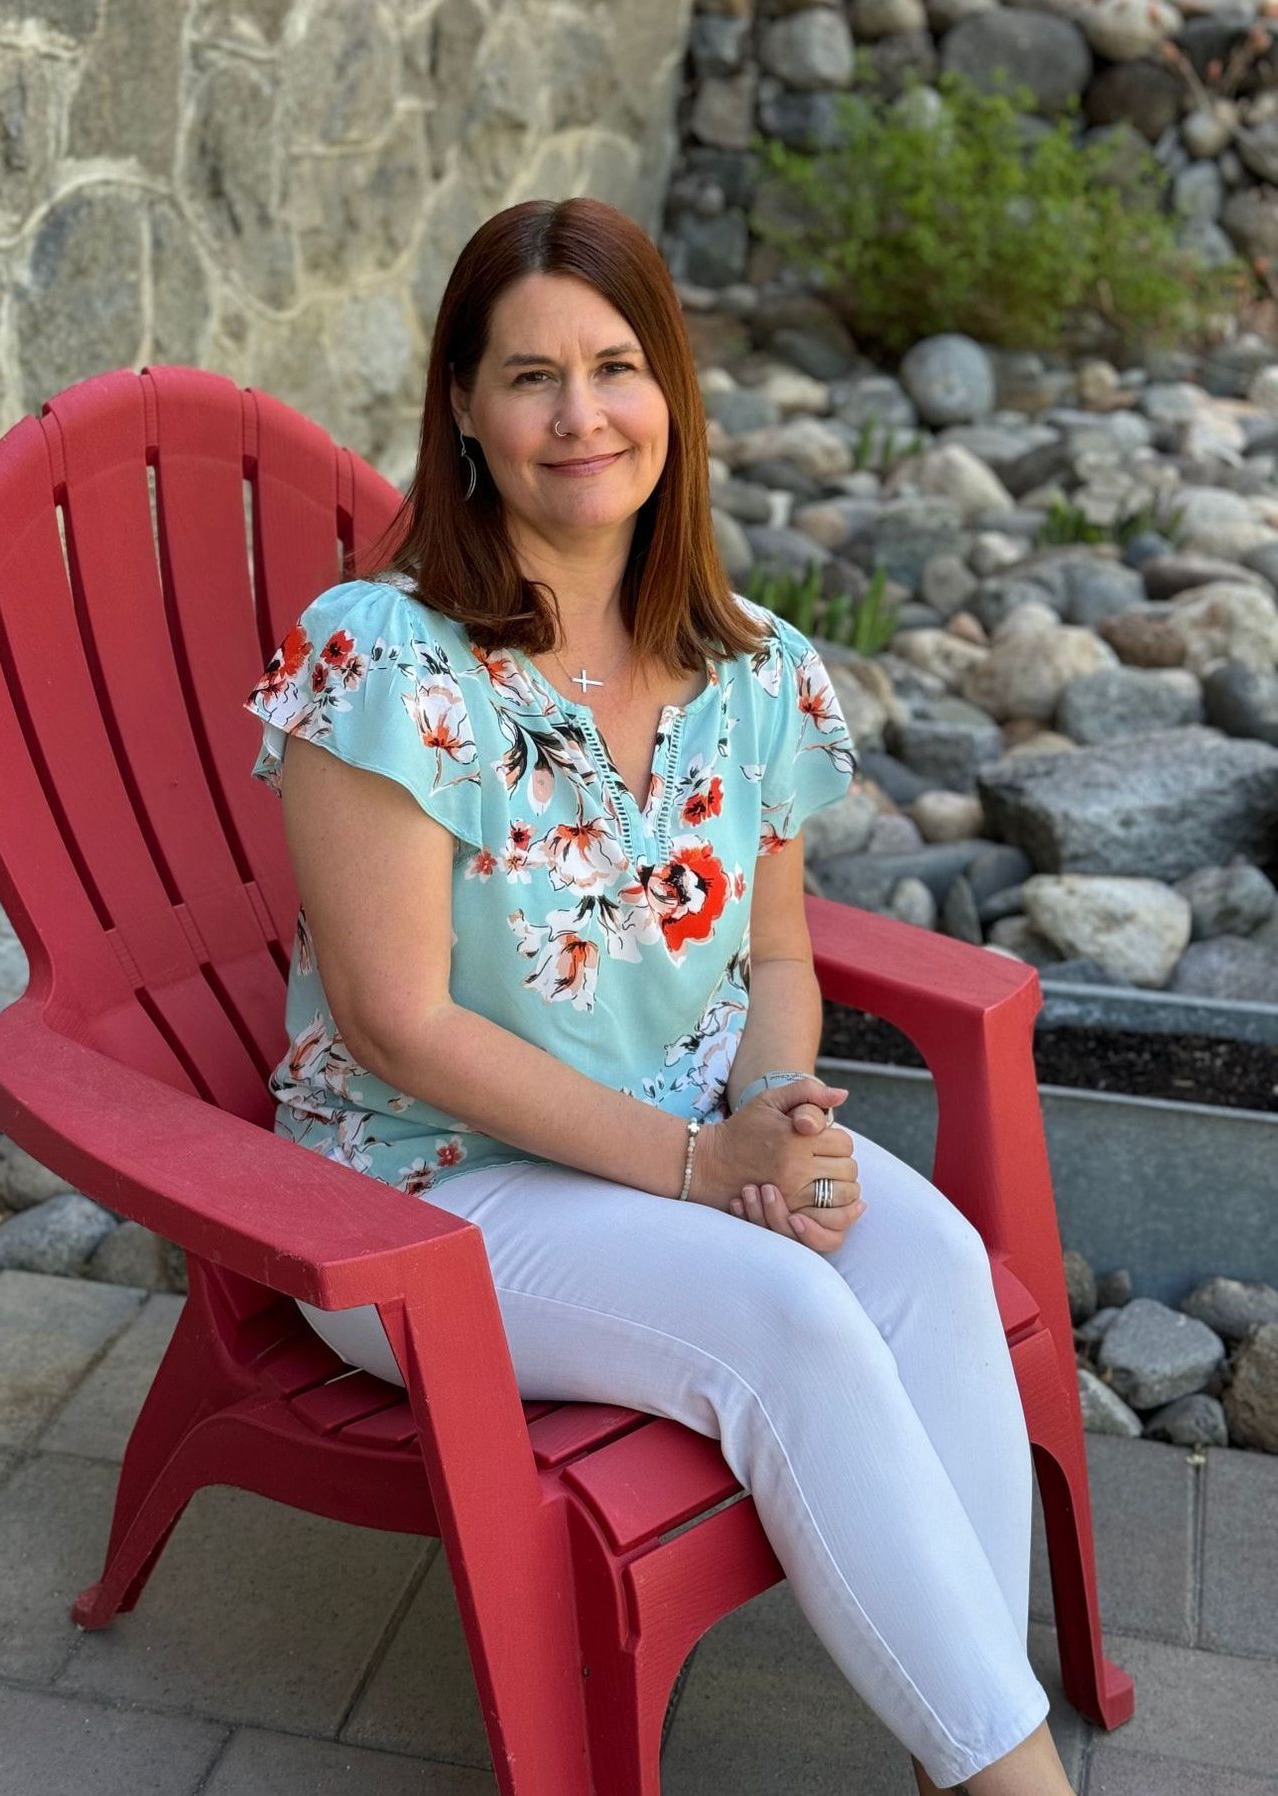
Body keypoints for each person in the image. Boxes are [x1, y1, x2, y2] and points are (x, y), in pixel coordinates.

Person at [241, 197, 1074, 1796]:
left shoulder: (747, 664)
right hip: (419, 1197)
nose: (580, 415)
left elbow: (773, 958)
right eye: (529, 376)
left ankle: (957, 1753)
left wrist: (769, 1110)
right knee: (792, 1321)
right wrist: (706, 1175)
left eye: (617, 367)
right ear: (467, 413)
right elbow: (394, 1018)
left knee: (938, 1268)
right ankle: (1019, 1787)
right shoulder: (389, 661)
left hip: (690, 1135)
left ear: (673, 396)